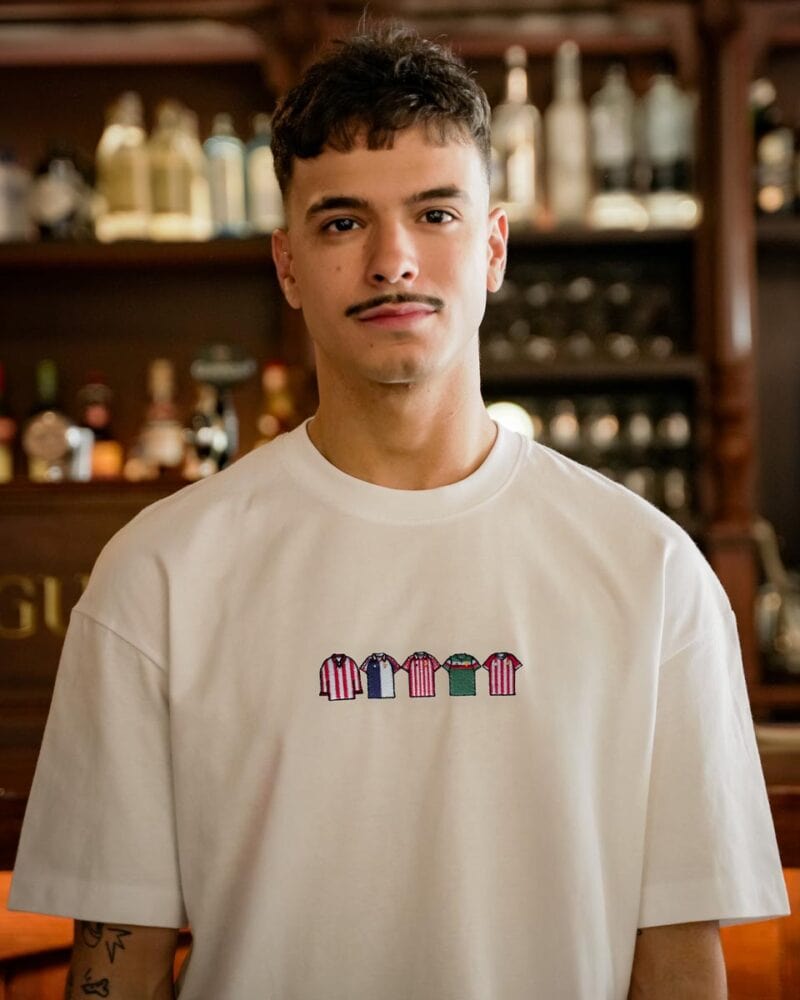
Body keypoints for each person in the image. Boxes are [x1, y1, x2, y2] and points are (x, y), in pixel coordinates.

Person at [9, 23, 789, 1000]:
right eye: (342, 223)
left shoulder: (654, 572)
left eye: (434, 214)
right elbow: (115, 968)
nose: (393, 260)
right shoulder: (156, 575)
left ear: (493, 247)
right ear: (287, 264)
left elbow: (676, 965)